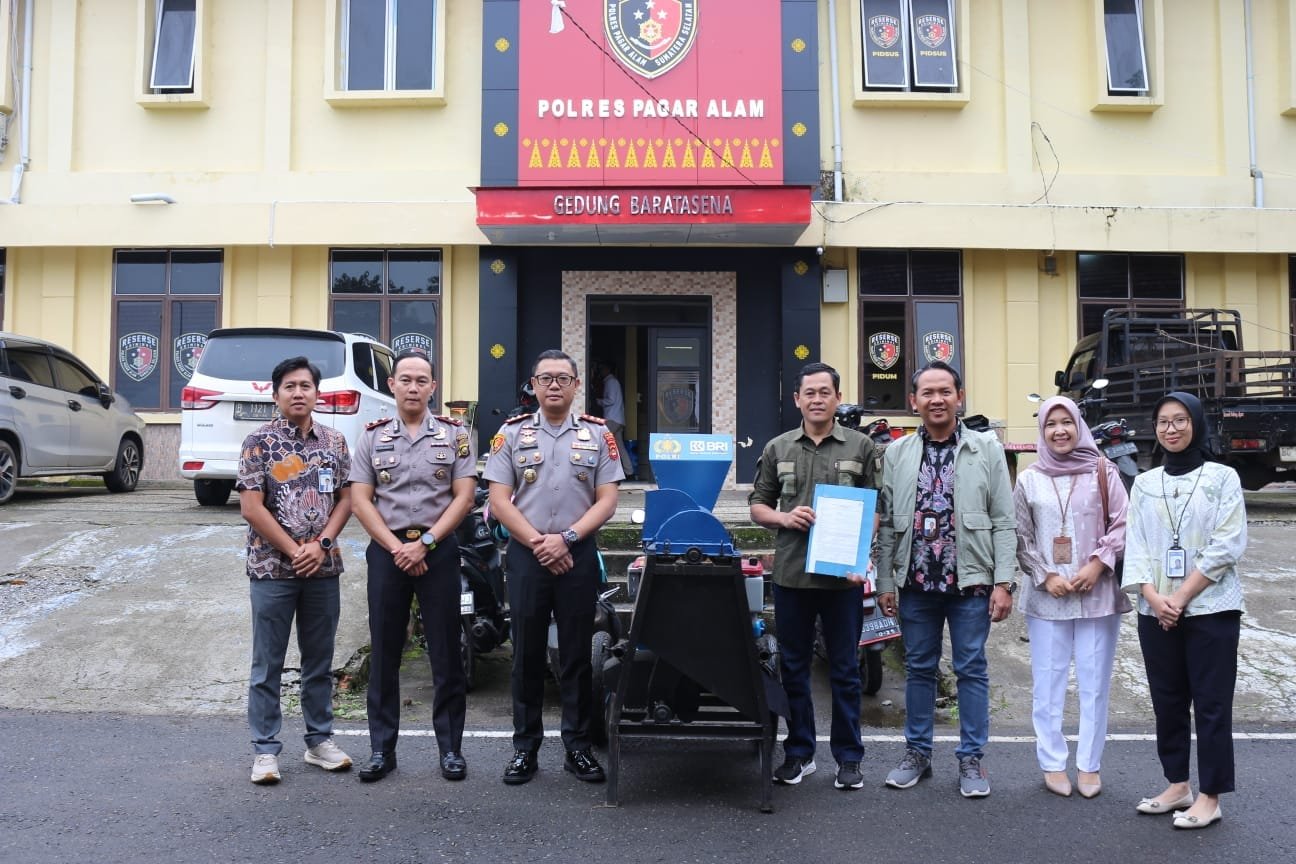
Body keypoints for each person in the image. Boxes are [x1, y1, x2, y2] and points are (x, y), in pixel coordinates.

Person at [874, 360, 1017, 798]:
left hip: (970, 581)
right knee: (919, 668)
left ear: (959, 397)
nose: (937, 400)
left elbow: (1003, 519)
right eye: (927, 393)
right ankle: (917, 753)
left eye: (945, 392)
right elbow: (888, 523)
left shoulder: (985, 448)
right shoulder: (897, 453)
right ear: (913, 401)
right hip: (916, 582)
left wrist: (1004, 581)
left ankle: (971, 758)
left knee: (970, 668)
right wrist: (885, 582)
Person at [483, 349, 624, 785]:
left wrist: (566, 539)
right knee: (526, 654)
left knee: (577, 654)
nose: (554, 385)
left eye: (563, 378)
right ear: (534, 385)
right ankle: (525, 748)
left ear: (577, 385)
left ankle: (577, 747)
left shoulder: (598, 435)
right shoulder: (510, 434)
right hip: (527, 556)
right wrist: (539, 542)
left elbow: (608, 500)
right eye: (546, 378)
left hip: (577, 554)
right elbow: (499, 500)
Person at [348, 351, 476, 783]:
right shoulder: (372, 437)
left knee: (446, 651)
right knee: (385, 651)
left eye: (422, 380)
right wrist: (397, 548)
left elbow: (463, 496)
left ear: (433, 387)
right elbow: (360, 500)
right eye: (405, 379)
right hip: (388, 551)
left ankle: (451, 749)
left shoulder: (456, 435)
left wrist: (425, 544)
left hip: (438, 550)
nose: (413, 387)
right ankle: (381, 750)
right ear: (392, 385)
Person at [749, 362, 877, 791]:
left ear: (838, 398)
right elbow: (758, 506)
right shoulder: (778, 448)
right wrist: (785, 518)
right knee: (793, 668)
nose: (818, 399)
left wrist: (862, 553)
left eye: (826, 392)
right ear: (797, 399)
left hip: (842, 580)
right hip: (792, 577)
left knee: (845, 670)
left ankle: (849, 757)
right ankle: (799, 752)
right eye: (810, 393)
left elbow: (877, 508)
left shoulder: (861, 447)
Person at [1122, 391, 1246, 829]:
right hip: (1155, 610)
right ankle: (1177, 785)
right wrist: (1154, 598)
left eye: (1180, 420)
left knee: (1211, 704)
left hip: (1212, 609)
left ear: (1196, 422)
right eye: (1163, 422)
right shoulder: (1145, 482)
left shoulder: (1222, 477)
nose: (1170, 429)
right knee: (1168, 701)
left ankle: (1211, 796)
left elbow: (1228, 544)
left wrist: (1180, 597)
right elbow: (1134, 544)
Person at [237, 356, 354, 785]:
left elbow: (346, 498)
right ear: (276, 394)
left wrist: (321, 545)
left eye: (306, 386)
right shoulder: (258, 443)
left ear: (317, 393)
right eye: (290, 386)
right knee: (267, 665)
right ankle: (265, 750)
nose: (298, 393)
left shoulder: (334, 442)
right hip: (272, 570)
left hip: (323, 568)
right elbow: (252, 507)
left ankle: (319, 741)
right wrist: (293, 550)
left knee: (318, 661)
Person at [1013, 396, 1130, 799]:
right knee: (1048, 682)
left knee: (1095, 683)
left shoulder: (1103, 469)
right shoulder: (1029, 479)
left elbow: (1123, 522)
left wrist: (1098, 564)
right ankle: (1052, 762)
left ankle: (1089, 764)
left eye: (1067, 422)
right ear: (1042, 431)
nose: (1059, 431)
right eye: (1051, 424)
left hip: (1096, 593)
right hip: (1048, 597)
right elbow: (1021, 535)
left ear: (1079, 426)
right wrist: (1045, 575)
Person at [593, 360, 634, 479]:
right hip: (618, 419)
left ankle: (601, 473)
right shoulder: (613, 381)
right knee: (619, 446)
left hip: (612, 419)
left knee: (600, 442)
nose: (600, 372)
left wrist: (598, 401)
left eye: (602, 369)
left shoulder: (610, 382)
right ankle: (629, 472)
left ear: (607, 369)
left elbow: (610, 400)